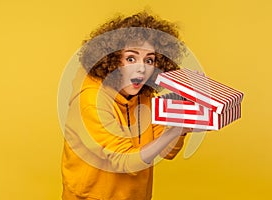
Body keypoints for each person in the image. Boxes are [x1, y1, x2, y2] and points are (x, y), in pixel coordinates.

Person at [62, 11, 193, 200]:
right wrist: (174, 131)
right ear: (113, 60)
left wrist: (181, 127)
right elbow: (124, 161)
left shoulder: (143, 94)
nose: (142, 68)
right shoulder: (90, 101)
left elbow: (166, 151)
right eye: (131, 58)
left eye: (149, 60)